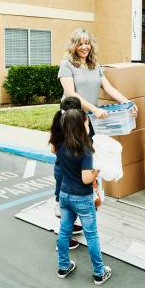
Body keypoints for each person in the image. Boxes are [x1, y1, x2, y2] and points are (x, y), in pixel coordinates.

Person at [52, 108, 112, 285]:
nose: (88, 125)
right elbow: (86, 179)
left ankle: (63, 267)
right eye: (86, 122)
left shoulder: (59, 143)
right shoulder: (84, 149)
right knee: (91, 235)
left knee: (64, 231)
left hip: (64, 194)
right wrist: (96, 171)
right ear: (79, 126)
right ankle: (99, 273)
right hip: (82, 198)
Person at [58, 28, 138, 125]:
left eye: (87, 43)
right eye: (80, 44)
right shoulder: (67, 64)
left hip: (91, 115)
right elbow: (71, 93)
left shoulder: (94, 64)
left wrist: (128, 103)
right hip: (72, 115)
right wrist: (95, 109)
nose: (84, 47)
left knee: (91, 140)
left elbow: (108, 88)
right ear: (73, 46)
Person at [49, 96, 85, 250]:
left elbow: (53, 148)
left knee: (65, 204)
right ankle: (63, 240)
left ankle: (69, 226)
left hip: (61, 170)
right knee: (66, 206)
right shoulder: (71, 129)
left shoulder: (59, 123)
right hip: (69, 174)